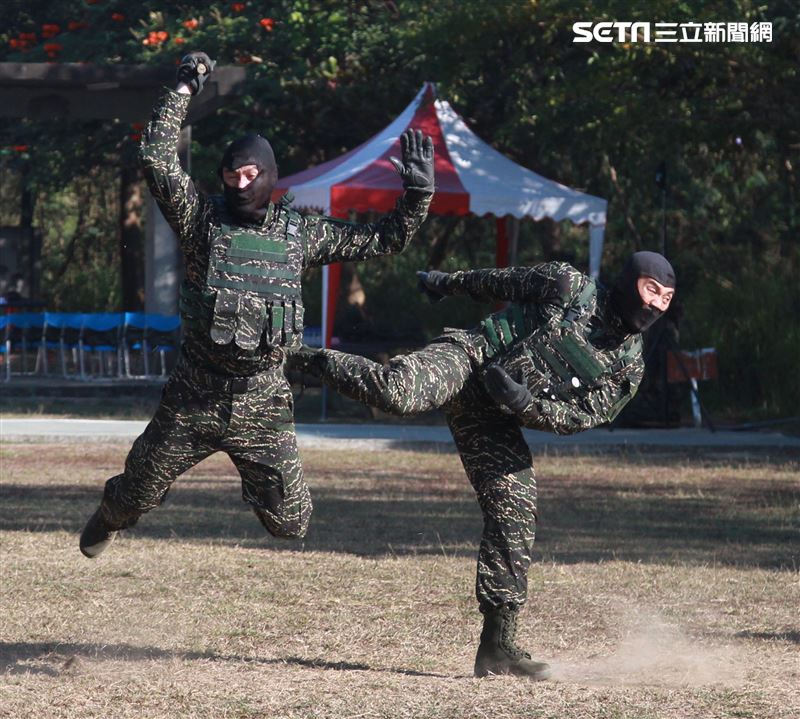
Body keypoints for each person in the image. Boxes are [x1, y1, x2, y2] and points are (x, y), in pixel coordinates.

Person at [79, 51, 435, 558]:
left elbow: (388, 238)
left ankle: (256, 481)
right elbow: (157, 160)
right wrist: (182, 90)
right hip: (193, 398)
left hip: (263, 403)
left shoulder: (302, 236)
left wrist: (418, 192)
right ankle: (109, 517)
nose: (240, 185)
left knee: (291, 524)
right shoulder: (203, 222)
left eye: (250, 175)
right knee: (134, 495)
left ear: (269, 176)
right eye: (231, 176)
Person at [290, 251, 676, 679]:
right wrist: (444, 281)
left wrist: (525, 405)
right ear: (629, 281)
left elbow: (582, 418)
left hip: (495, 414)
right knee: (397, 392)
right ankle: (300, 360)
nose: (656, 304)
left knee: (516, 507)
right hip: (468, 359)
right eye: (651, 290)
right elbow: (499, 282)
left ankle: (498, 648)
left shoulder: (628, 366)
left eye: (666, 298)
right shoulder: (569, 287)